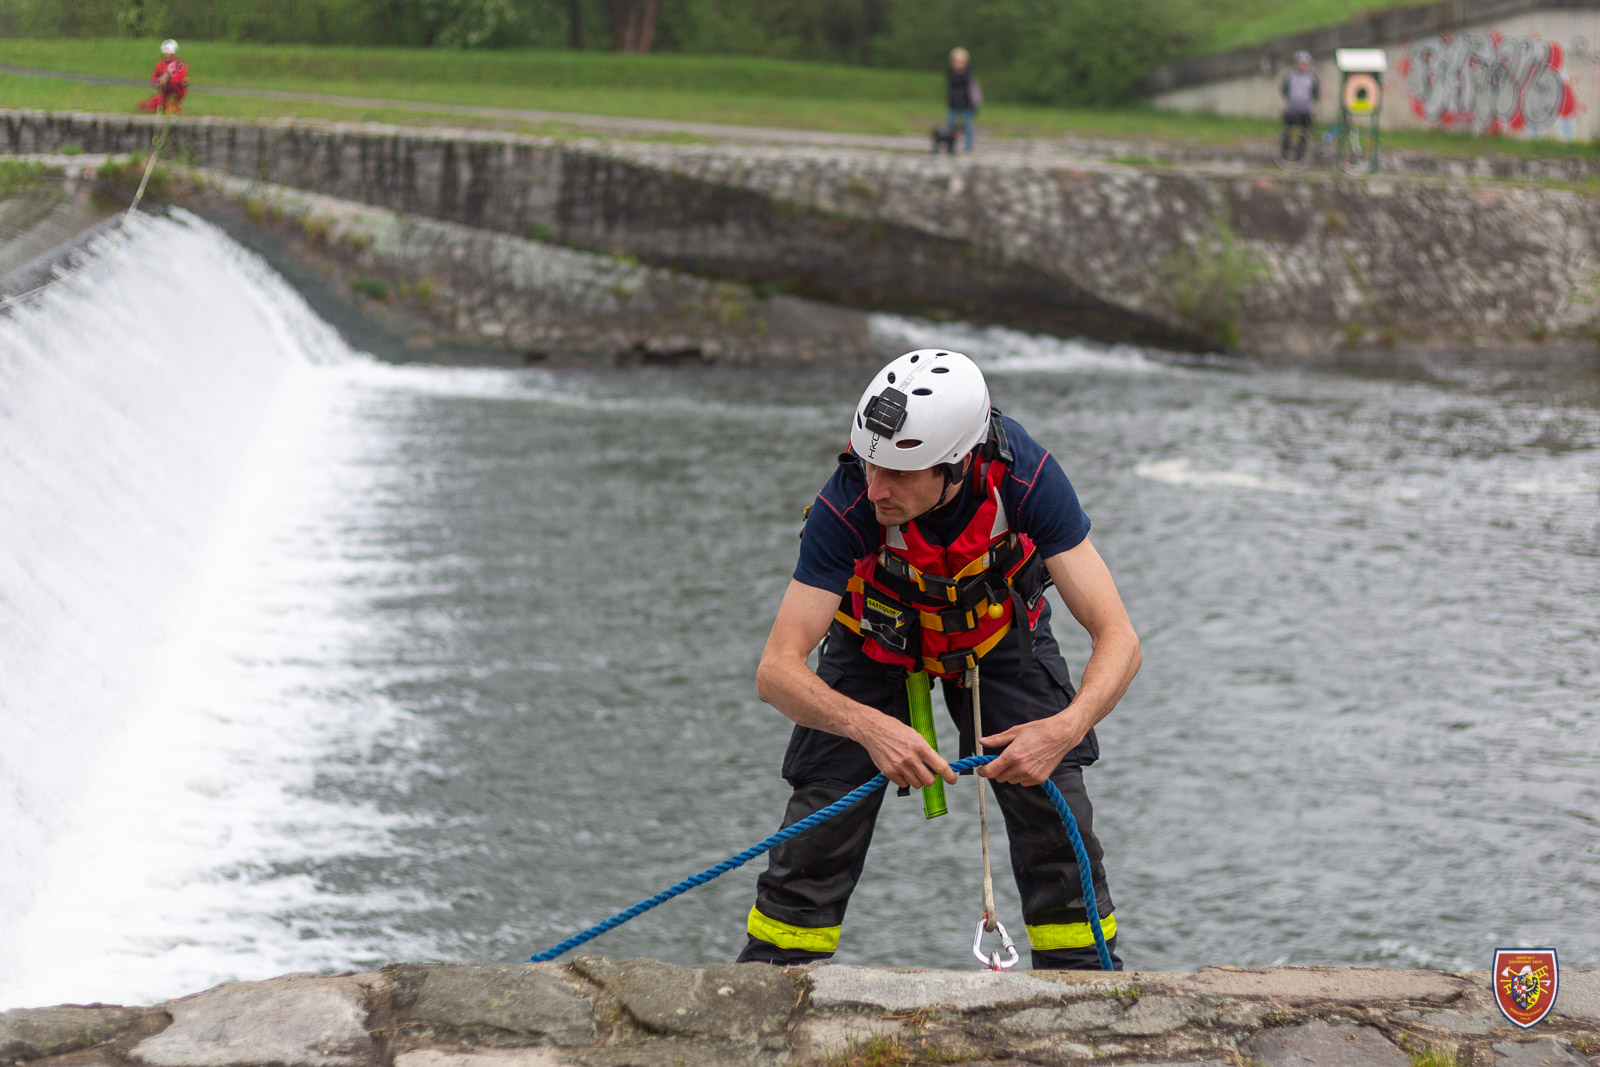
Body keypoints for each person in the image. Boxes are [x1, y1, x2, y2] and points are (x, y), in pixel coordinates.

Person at [738, 349, 1140, 970]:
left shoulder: (1027, 479)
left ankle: (1084, 986)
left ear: (957, 465)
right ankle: (771, 982)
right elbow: (777, 670)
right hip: (874, 644)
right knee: (820, 825)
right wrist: (867, 727)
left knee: (1056, 819)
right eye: (870, 464)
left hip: (997, 641)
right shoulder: (848, 504)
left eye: (899, 474)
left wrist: (1063, 730)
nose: (877, 488)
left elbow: (1119, 639)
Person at [139, 40, 188, 116]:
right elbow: (153, 79)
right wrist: (159, 81)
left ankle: (175, 104)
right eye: (165, 54)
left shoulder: (179, 64)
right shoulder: (160, 65)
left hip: (177, 91)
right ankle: (167, 104)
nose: (167, 56)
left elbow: (180, 77)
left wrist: (168, 79)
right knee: (149, 106)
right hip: (164, 92)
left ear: (173, 54)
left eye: (169, 54)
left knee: (179, 84)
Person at [944, 48, 977, 153]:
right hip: (953, 102)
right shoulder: (950, 72)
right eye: (957, 62)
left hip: (967, 103)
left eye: (961, 62)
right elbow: (952, 82)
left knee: (967, 126)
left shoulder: (969, 73)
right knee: (950, 124)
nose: (959, 64)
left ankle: (968, 146)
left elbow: (969, 86)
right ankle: (948, 144)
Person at [1280, 51, 1319, 132]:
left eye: (1305, 64)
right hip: (1292, 109)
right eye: (1300, 64)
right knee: (1288, 130)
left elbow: (1315, 93)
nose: (1302, 66)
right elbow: (1285, 90)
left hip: (1305, 110)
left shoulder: (1312, 78)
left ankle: (1304, 143)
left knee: (1305, 130)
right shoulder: (1290, 77)